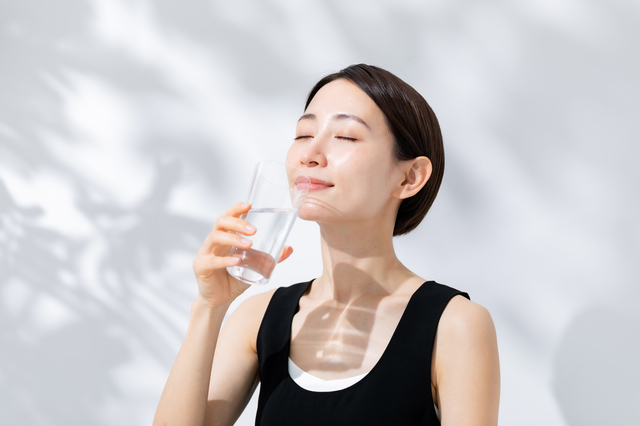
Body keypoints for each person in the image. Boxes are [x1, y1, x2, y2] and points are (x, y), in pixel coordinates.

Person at [153, 64, 500, 426]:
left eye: (346, 136)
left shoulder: (455, 325)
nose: (310, 153)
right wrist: (209, 307)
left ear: (409, 177)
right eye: (303, 134)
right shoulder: (259, 318)